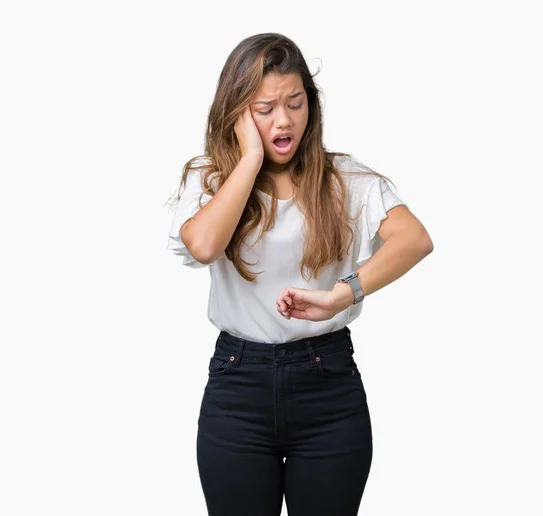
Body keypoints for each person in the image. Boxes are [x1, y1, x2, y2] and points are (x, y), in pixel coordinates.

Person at [165, 32, 434, 516]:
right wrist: (248, 160)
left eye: (295, 102)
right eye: (264, 109)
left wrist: (341, 294)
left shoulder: (345, 178)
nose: (284, 119)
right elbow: (203, 246)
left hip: (327, 385)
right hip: (237, 387)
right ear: (237, 114)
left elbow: (415, 239)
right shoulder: (208, 179)